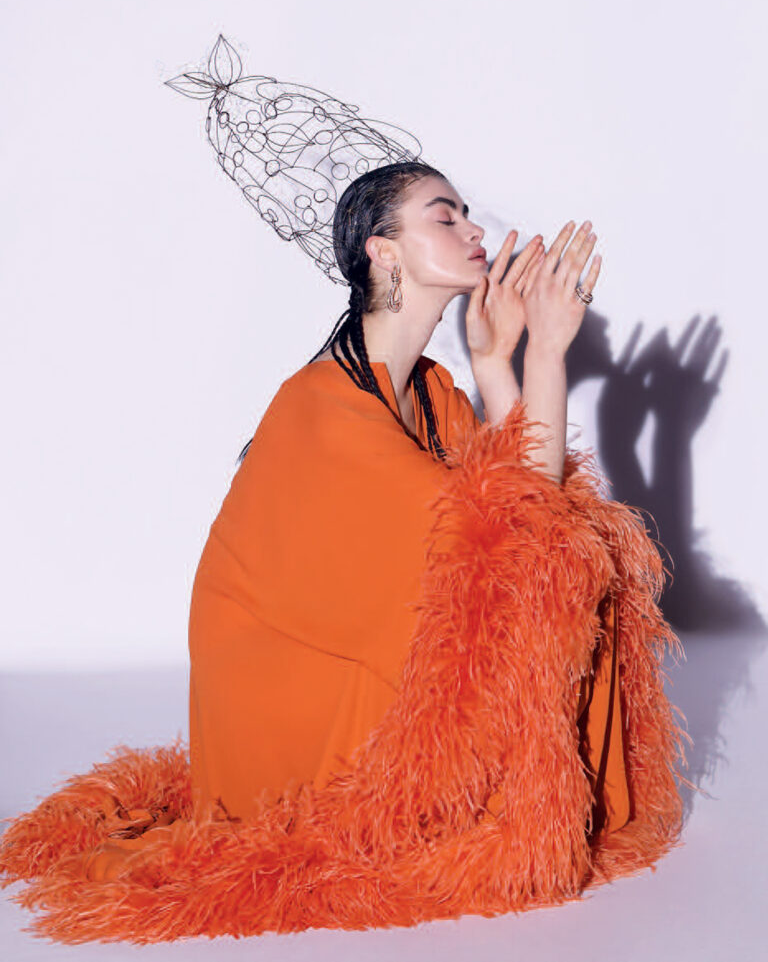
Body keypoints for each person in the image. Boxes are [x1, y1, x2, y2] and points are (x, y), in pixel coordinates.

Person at [0, 160, 692, 944]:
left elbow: (527, 516)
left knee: (564, 565)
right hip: (284, 673)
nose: (473, 230)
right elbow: (520, 540)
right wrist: (548, 357)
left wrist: (496, 362)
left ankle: (533, 796)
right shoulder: (323, 406)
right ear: (383, 251)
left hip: (345, 639)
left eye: (467, 213)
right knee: (536, 579)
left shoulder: (429, 389)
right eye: (444, 216)